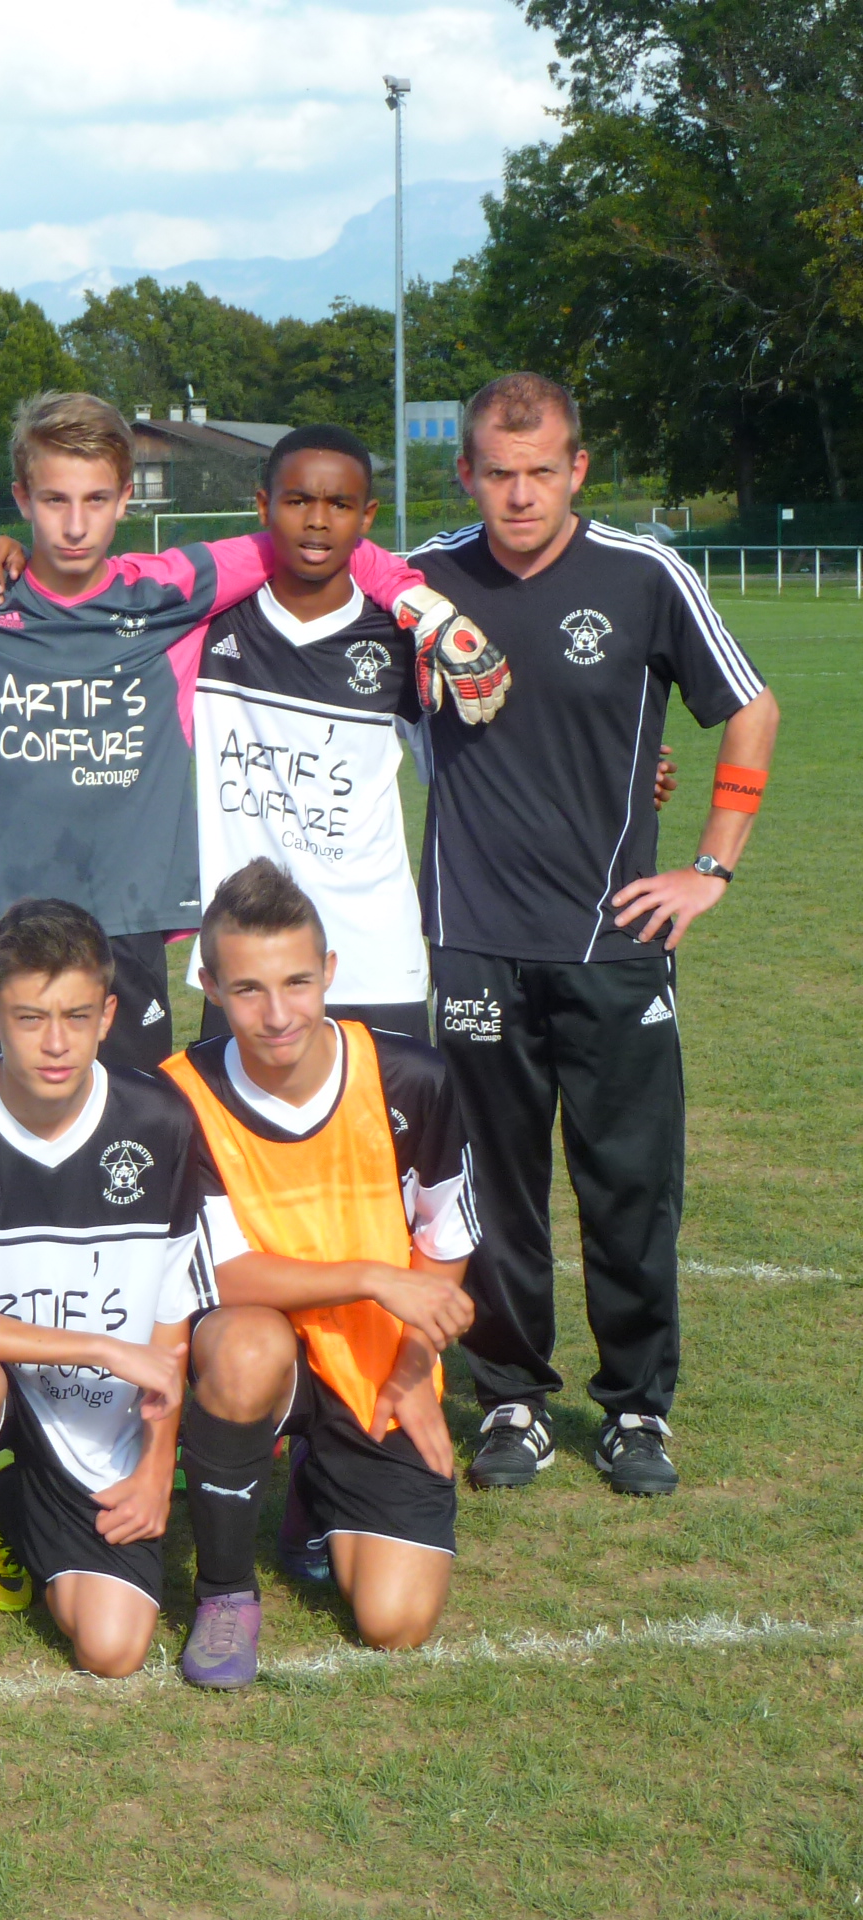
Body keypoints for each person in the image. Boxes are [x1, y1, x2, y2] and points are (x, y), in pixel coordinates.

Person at [0, 390, 500, 1078]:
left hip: (124, 928)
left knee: (131, 1151)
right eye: (54, 499)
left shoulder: (171, 591)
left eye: (95, 499)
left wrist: (417, 603)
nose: (74, 524)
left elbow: (321, 535)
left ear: (126, 498)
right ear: (21, 496)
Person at [412, 372, 779, 1498]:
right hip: (472, 941)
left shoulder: (643, 573)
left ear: (578, 468)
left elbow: (750, 708)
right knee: (494, 1188)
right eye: (497, 473)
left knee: (628, 1187)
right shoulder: (420, 581)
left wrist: (708, 868)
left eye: (541, 471)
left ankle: (635, 1410)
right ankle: (511, 1398)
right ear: (465, 473)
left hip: (615, 944)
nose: (520, 495)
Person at [0, 899, 199, 1708]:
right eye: (31, 1018)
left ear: (108, 1015)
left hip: (96, 1409)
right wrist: (99, 1346)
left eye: (77, 1017)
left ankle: (10, 1503)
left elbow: (173, 1318)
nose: (56, 1043)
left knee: (113, 1649)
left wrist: (158, 1463)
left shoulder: (159, 1121)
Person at [165, 859, 480, 1688]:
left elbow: (446, 1239)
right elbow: (224, 1275)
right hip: (258, 1342)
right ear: (210, 986)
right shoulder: (178, 1098)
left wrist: (414, 1368)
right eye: (248, 990)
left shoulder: (413, 1078)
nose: (277, 1015)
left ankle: (316, 1487)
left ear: (330, 970)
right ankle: (225, 1592)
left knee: (395, 1622)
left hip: (375, 1357)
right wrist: (374, 1278)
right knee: (245, 1347)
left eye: (297, 983)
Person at [190, 425, 443, 1040]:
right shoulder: (206, 625)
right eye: (298, 500)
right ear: (263, 505)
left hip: (374, 960)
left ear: (367, 516)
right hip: (244, 962)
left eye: (339, 504)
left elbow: (471, 776)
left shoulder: (400, 640)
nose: (318, 521)